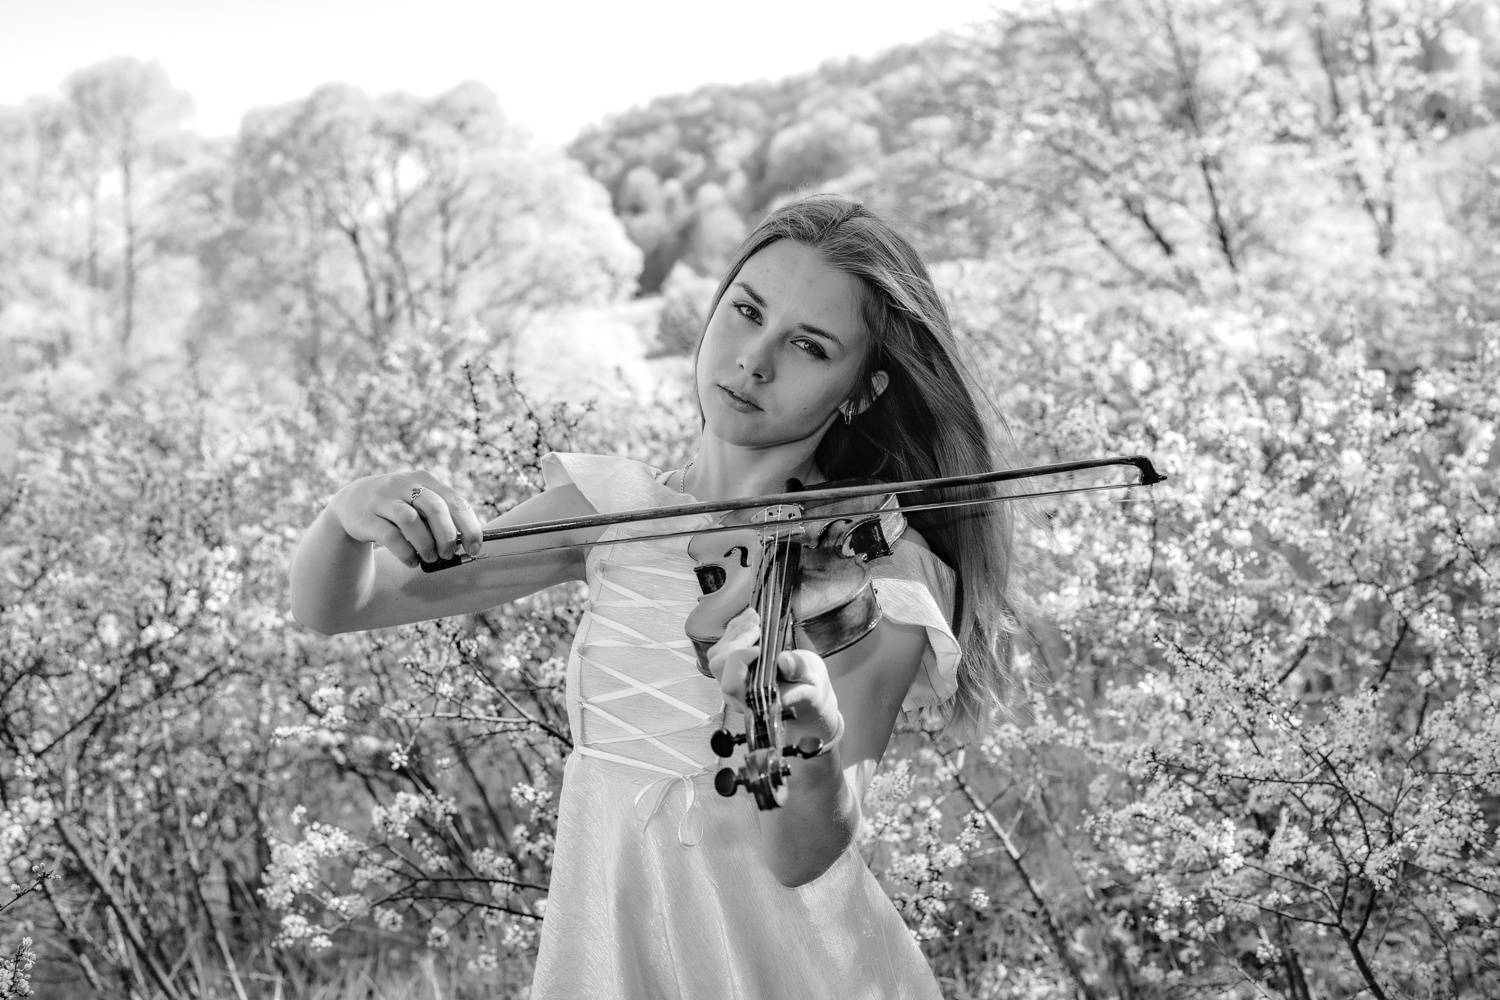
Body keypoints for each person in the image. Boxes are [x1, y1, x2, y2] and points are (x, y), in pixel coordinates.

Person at [290, 194, 1019, 998]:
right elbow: (341, 607)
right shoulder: (612, 510)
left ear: (863, 390)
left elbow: (801, 856)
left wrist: (803, 741)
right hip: (611, 950)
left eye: (809, 346)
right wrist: (348, 515)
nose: (754, 361)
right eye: (747, 312)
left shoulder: (876, 568)